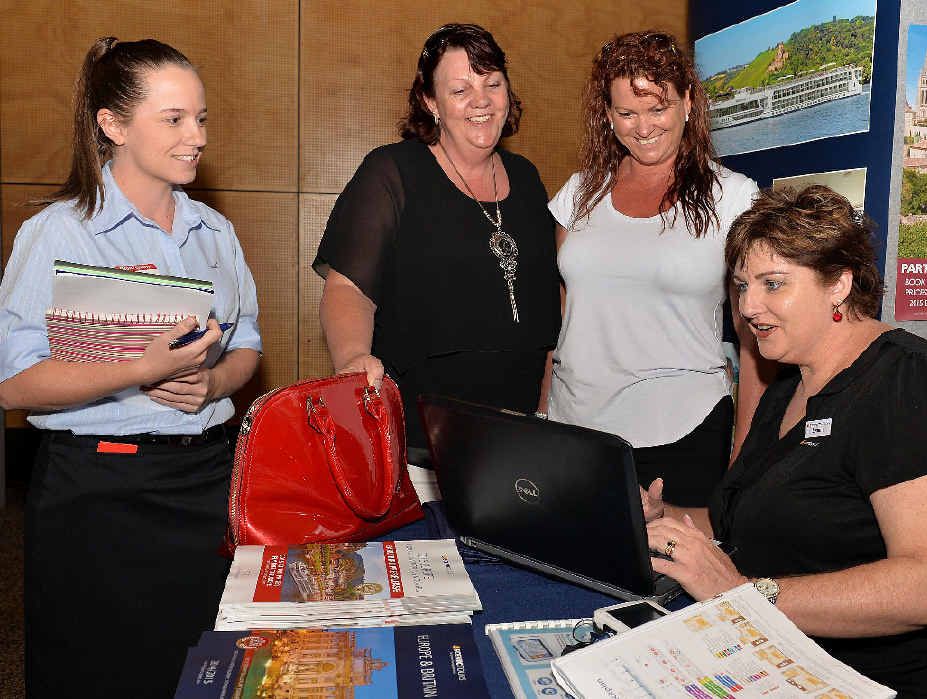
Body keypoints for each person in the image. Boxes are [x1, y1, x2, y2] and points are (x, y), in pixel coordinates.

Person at [0, 38, 262, 698]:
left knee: (209, 672)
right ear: (112, 126)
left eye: (200, 118)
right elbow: (11, 381)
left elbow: (248, 345)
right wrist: (137, 368)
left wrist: (214, 381)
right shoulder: (61, 232)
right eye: (173, 119)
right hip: (99, 495)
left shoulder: (213, 232)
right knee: (101, 673)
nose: (195, 136)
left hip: (208, 481)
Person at [644, 186, 927, 693]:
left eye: (773, 284)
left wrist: (741, 594)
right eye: (741, 286)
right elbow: (747, 524)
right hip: (760, 659)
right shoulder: (787, 385)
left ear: (839, 282)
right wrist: (668, 523)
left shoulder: (905, 380)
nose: (749, 307)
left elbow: (921, 585)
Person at [313, 23, 560, 461]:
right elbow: (347, 288)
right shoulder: (392, 173)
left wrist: (542, 411)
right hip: (419, 444)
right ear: (431, 102)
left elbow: (546, 308)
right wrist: (352, 356)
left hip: (517, 440)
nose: (481, 101)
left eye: (492, 84)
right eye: (460, 89)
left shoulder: (527, 178)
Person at [545, 30, 770, 507]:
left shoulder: (733, 198)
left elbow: (754, 339)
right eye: (626, 113)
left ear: (688, 102)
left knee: (666, 579)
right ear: (607, 116)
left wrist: (744, 455)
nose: (642, 127)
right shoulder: (578, 193)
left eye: (657, 108)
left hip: (681, 434)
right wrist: (542, 414)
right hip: (573, 431)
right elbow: (564, 319)